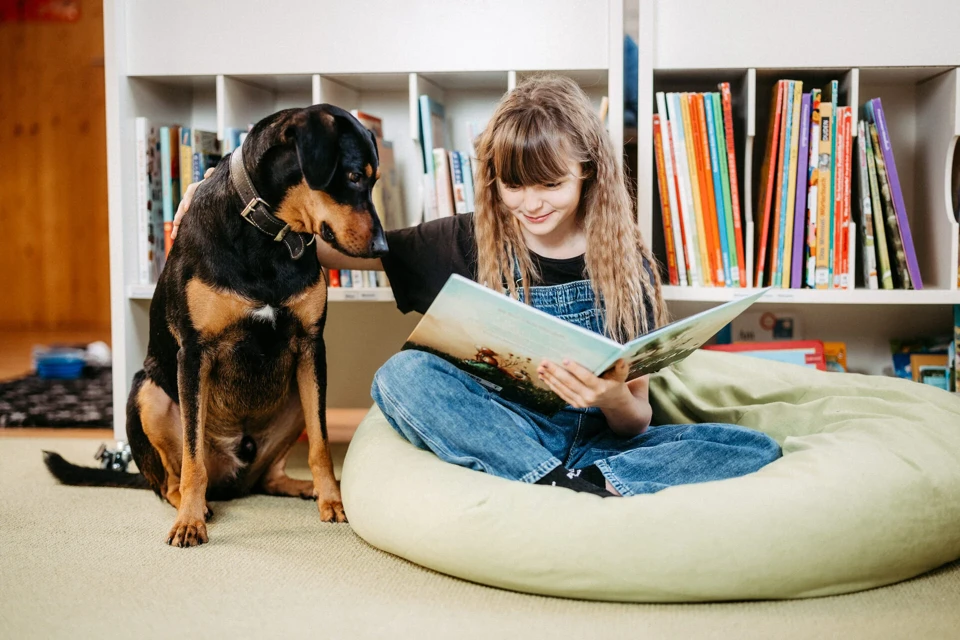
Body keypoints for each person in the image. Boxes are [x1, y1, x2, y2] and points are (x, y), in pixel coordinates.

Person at [173, 74, 781, 498]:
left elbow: (637, 421)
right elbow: (339, 242)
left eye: (550, 184)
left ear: (588, 173)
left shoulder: (629, 268)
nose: (530, 203)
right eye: (513, 186)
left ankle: (570, 482)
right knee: (400, 378)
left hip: (602, 446)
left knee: (750, 448)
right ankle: (552, 478)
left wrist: (609, 398)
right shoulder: (467, 238)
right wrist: (226, 199)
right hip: (501, 431)